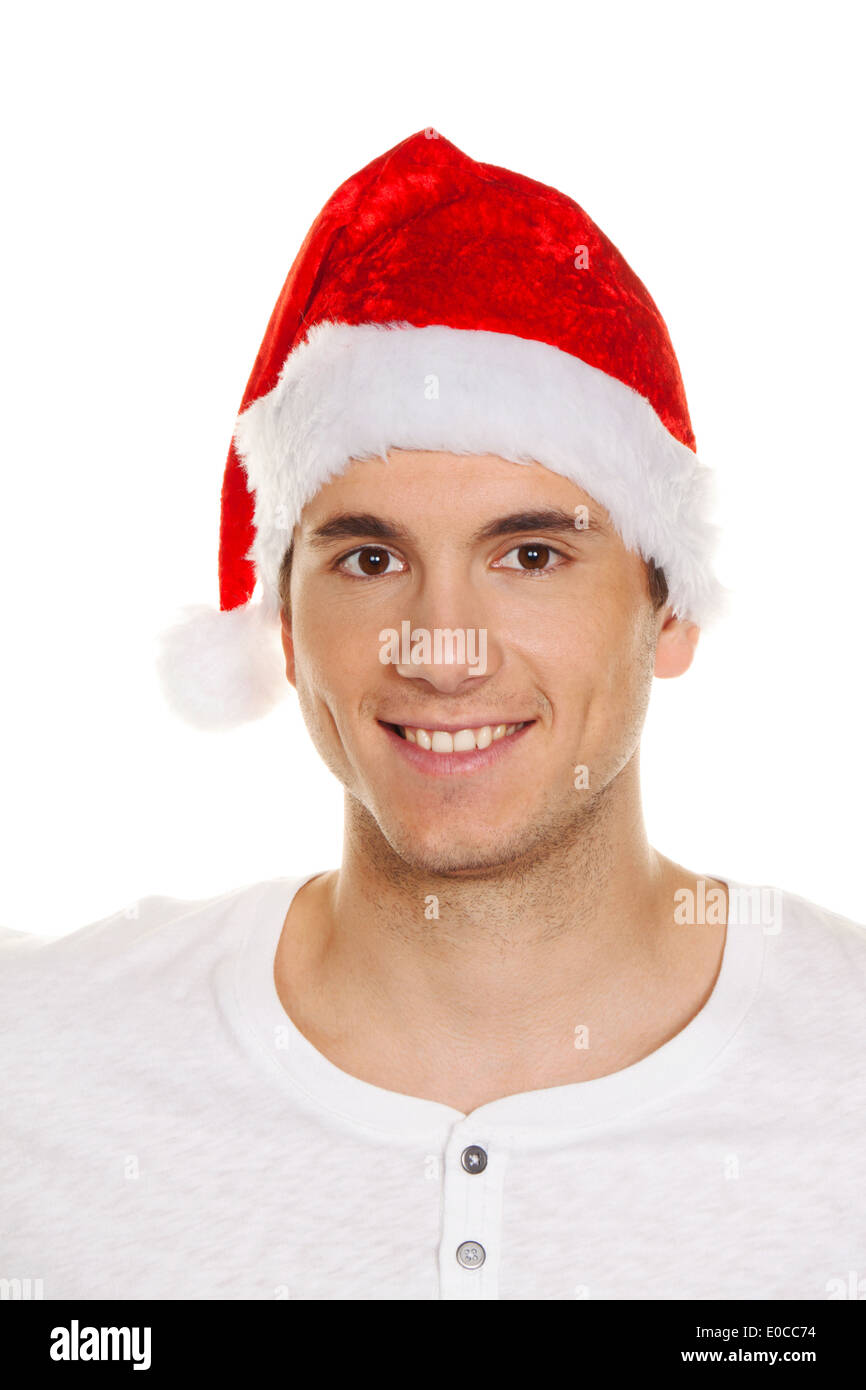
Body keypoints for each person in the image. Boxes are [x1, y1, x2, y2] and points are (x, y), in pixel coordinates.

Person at [2, 129, 863, 1303]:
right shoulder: (36, 1072)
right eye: (367, 558)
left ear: (668, 611)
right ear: (288, 623)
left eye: (529, 552)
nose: (441, 648)